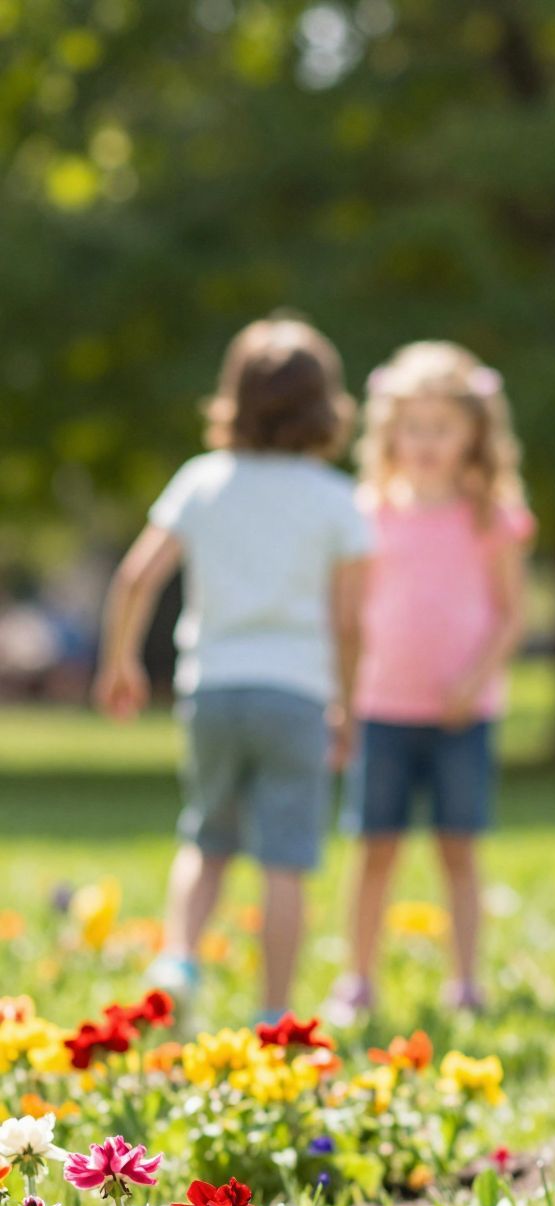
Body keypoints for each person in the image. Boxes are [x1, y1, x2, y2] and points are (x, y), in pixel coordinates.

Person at [94, 315, 368, 1023]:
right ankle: (273, 1013)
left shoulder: (201, 480)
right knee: (285, 860)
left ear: (233, 399)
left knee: (206, 839)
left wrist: (120, 660)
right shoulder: (337, 500)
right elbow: (347, 622)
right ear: (326, 409)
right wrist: (346, 704)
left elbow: (134, 578)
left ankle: (178, 958)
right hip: (297, 696)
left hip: (211, 689)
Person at [325, 342, 535, 1023]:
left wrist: (472, 684)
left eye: (441, 427)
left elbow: (511, 617)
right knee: (375, 846)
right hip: (382, 708)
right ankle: (357, 978)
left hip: (462, 716)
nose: (426, 442)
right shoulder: (367, 510)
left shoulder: (490, 516)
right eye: (413, 427)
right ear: (389, 431)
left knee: (458, 849)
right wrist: (344, 698)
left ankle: (466, 981)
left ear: (473, 432)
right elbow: (348, 617)